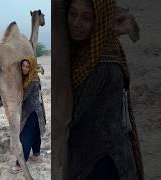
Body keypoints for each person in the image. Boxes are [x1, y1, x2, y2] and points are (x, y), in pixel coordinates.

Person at [63, 0, 144, 179]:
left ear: (100, 20)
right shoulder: (100, 49)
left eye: (87, 17)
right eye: (72, 14)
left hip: (102, 162)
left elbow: (70, 115)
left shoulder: (101, 64)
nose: (76, 23)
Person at [10, 57, 46, 174]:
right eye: (23, 66)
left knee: (25, 137)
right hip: (36, 112)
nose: (24, 68)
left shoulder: (33, 81)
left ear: (31, 68)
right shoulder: (30, 78)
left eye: (27, 66)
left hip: (32, 113)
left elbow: (22, 97)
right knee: (35, 134)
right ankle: (36, 155)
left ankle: (20, 163)